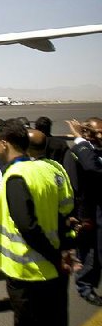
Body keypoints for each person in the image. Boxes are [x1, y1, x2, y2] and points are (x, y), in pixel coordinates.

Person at [0, 119, 75, 326]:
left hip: (27, 268)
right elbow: (66, 213)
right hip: (54, 269)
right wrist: (65, 250)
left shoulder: (16, 176)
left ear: (4, 144)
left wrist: (54, 254)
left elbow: (27, 225)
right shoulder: (50, 169)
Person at [64, 117, 102, 305]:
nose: (100, 135)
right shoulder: (76, 154)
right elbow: (73, 185)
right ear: (87, 134)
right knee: (88, 251)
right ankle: (85, 287)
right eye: (97, 132)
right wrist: (77, 214)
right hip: (87, 211)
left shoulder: (94, 152)